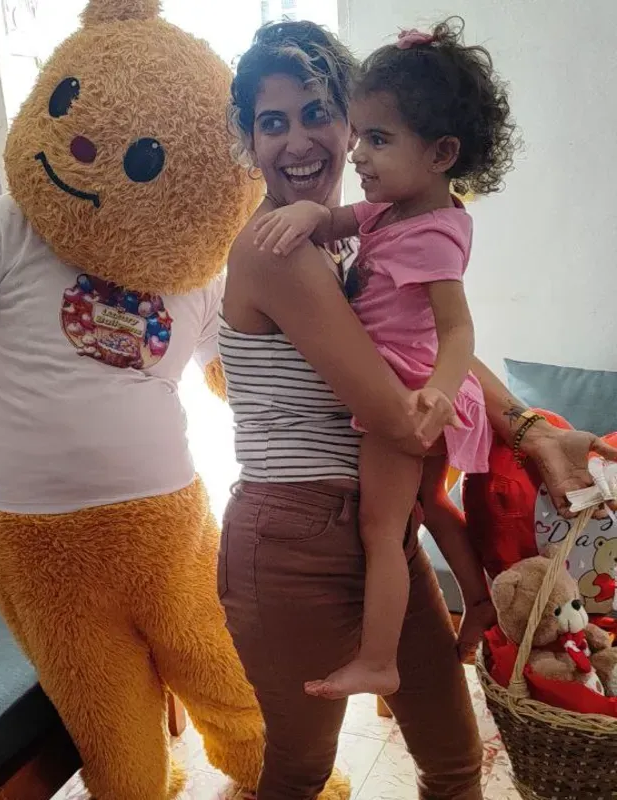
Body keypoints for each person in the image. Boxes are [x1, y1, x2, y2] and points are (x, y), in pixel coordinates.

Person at [219, 19, 617, 800]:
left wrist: (529, 428)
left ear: (350, 122)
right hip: (295, 543)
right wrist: (514, 431)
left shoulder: (360, 234)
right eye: (271, 122)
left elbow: (426, 345)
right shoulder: (278, 249)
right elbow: (402, 413)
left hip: (381, 529)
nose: (297, 140)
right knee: (301, 769)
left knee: (456, 763)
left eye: (316, 113)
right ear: (251, 141)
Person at [251, 18, 514, 700]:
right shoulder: (388, 211)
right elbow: (333, 220)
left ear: (441, 153)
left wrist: (436, 393)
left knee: (381, 528)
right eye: (360, 135)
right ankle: (478, 599)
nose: (359, 154)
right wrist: (309, 216)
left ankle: (378, 660)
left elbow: (458, 329)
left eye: (378, 139)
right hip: (418, 392)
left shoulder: (431, 235)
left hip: (407, 396)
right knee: (430, 503)